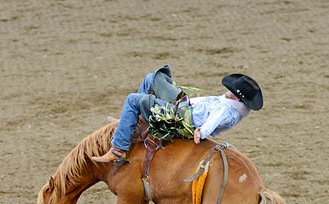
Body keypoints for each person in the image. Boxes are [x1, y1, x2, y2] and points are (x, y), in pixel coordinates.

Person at [91, 65, 263, 163]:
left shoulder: (227, 109)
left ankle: (118, 149)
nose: (228, 91)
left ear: (238, 99)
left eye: (232, 91)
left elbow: (213, 122)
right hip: (185, 107)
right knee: (152, 78)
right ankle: (131, 122)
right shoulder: (231, 106)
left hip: (182, 118)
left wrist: (201, 132)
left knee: (133, 100)